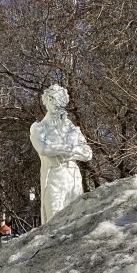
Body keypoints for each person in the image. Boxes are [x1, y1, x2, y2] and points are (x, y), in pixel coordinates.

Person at [30, 84, 93, 224]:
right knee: (54, 222)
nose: (55, 103)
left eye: (59, 99)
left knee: (77, 221)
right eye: (51, 99)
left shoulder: (71, 128)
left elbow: (88, 153)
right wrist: (71, 149)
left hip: (73, 177)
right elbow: (44, 149)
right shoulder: (39, 128)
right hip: (54, 176)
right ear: (45, 101)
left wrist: (62, 149)